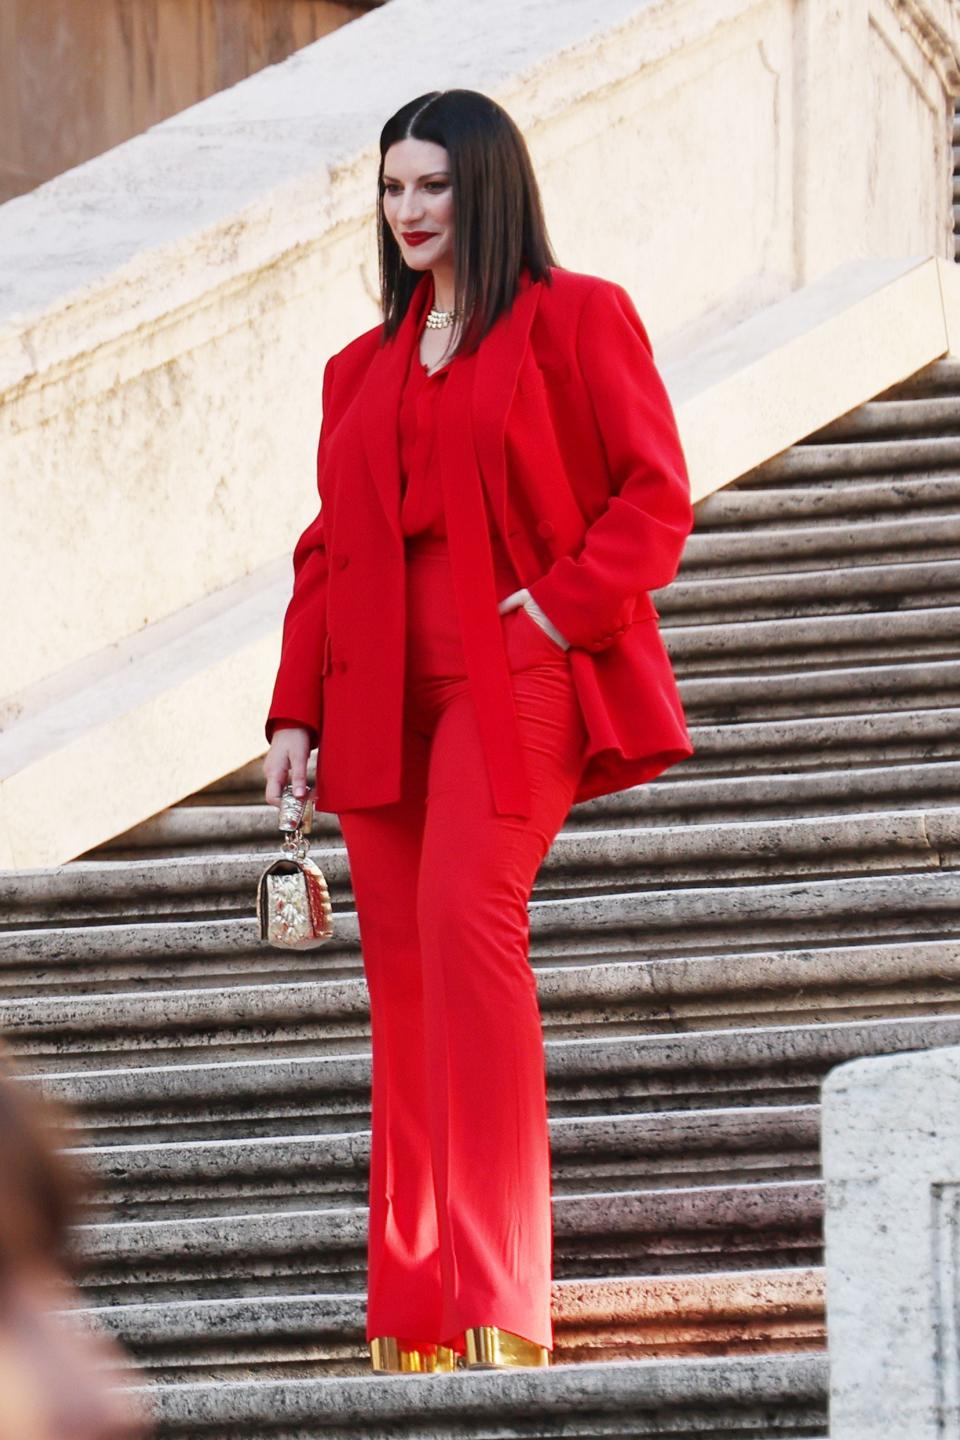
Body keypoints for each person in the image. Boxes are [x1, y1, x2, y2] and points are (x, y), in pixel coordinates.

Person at [262, 88, 694, 1374]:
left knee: (467, 924)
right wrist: (294, 708)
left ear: (486, 190)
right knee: (402, 980)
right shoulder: (363, 366)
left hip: (518, 670)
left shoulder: (577, 317)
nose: (409, 211)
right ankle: (414, 1319)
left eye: (434, 187)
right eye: (394, 188)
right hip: (380, 691)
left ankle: (501, 1295)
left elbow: (654, 494)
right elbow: (328, 547)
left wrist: (555, 612)